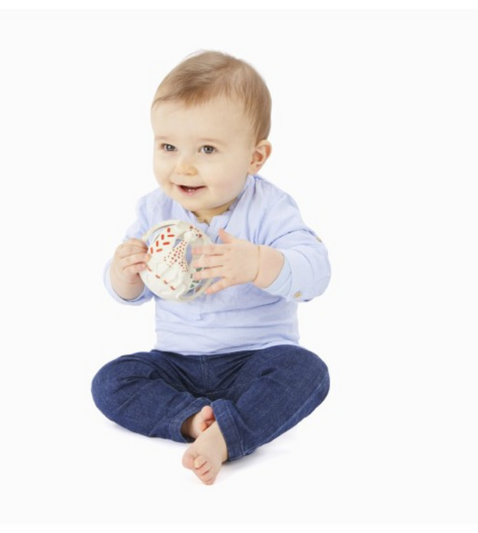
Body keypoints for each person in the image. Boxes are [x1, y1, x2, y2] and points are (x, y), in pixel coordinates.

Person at [91, 50, 331, 485]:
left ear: (255, 158)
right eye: (168, 147)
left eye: (207, 149)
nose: (183, 165)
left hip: (256, 360)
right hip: (177, 363)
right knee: (111, 381)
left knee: (307, 371)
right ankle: (190, 419)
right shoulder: (154, 210)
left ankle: (227, 436)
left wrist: (258, 263)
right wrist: (123, 275)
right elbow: (133, 293)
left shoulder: (270, 209)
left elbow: (316, 273)